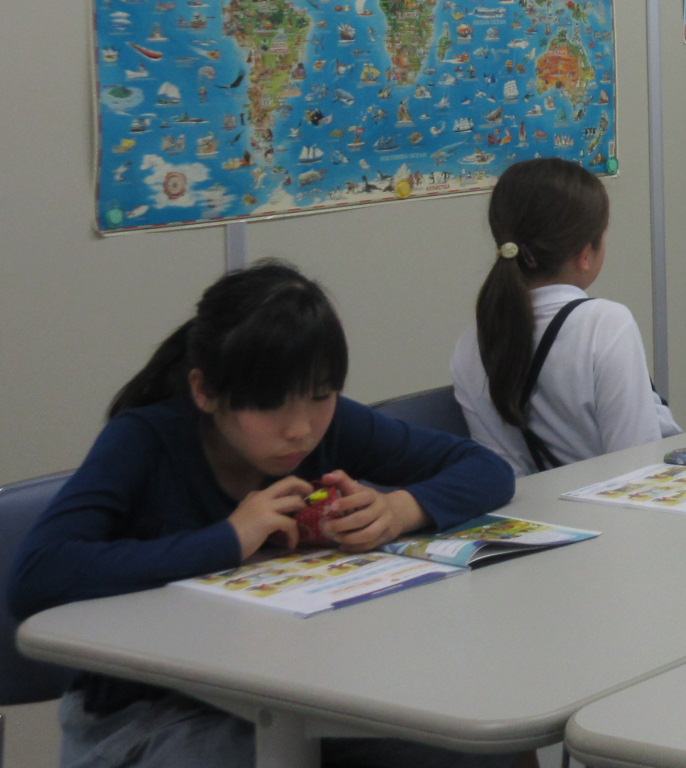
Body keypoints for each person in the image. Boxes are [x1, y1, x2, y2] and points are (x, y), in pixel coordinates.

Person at [6, 261, 517, 768]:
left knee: (467, 747)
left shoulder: (331, 427)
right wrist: (229, 537)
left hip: (288, 694)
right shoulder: (144, 441)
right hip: (144, 714)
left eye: (320, 396)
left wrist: (400, 508)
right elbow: (38, 575)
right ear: (205, 391)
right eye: (270, 405)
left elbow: (485, 468)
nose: (300, 429)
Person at [451, 156, 677, 473]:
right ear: (585, 254)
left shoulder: (471, 344)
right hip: (618, 501)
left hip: (530, 505)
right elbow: (637, 463)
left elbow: (503, 472)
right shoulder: (605, 324)